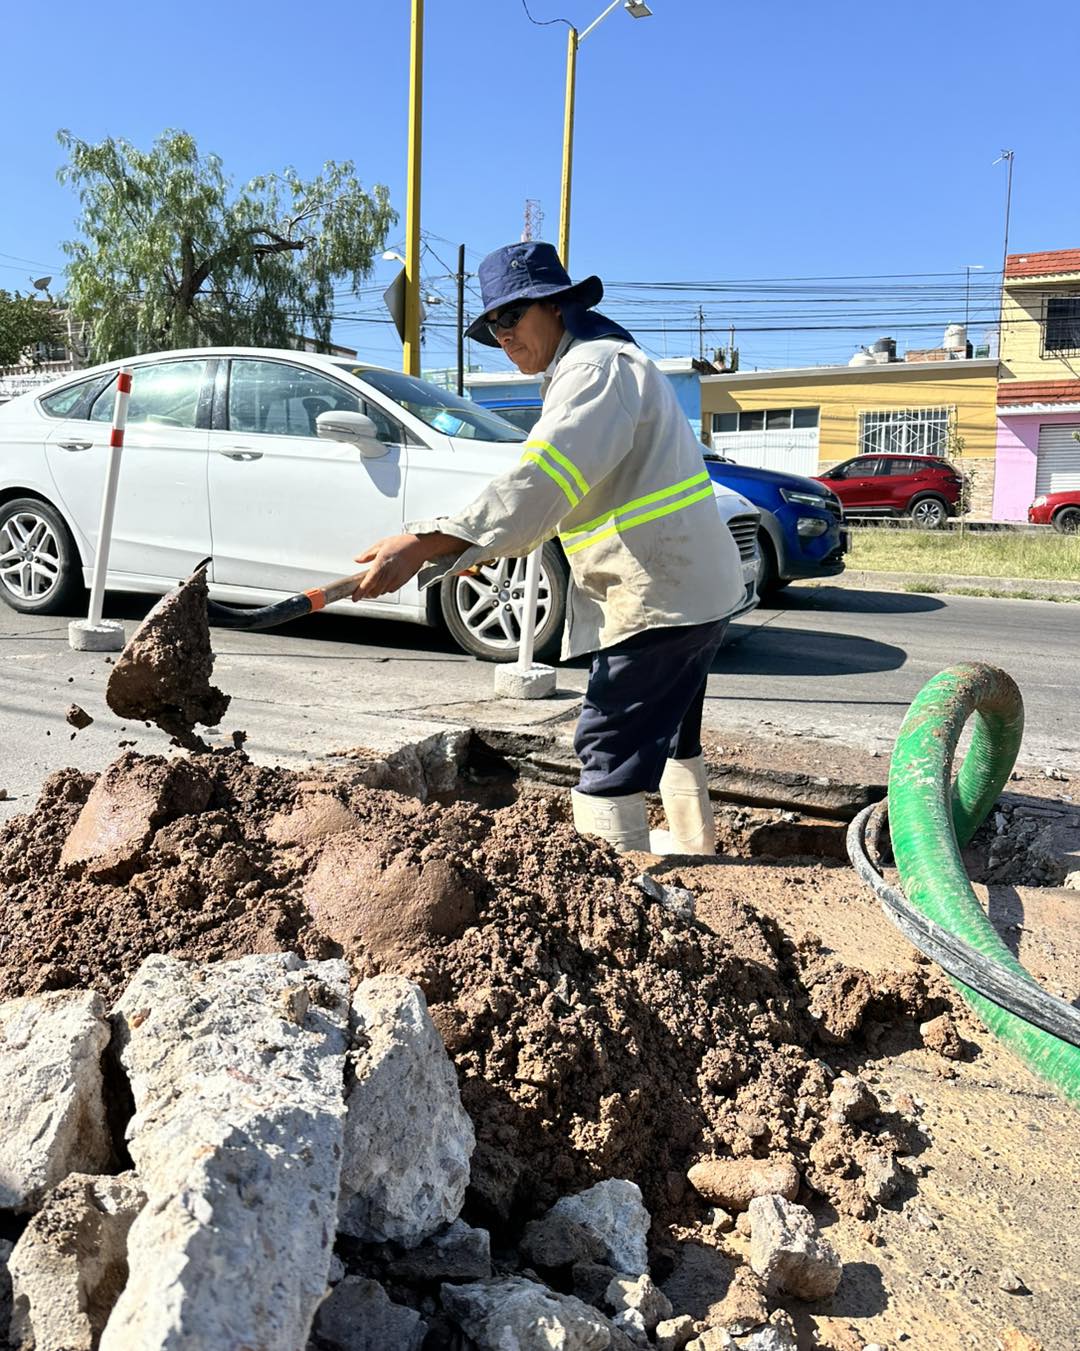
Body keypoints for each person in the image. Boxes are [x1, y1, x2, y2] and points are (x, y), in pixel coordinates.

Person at [351, 241, 746, 854]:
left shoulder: (595, 369)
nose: (504, 337)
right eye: (492, 326)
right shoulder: (602, 364)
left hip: (660, 594)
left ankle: (612, 898)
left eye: (512, 317)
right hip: (690, 587)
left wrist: (427, 540)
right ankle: (696, 850)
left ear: (558, 306)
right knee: (674, 729)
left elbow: (543, 478)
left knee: (608, 744)